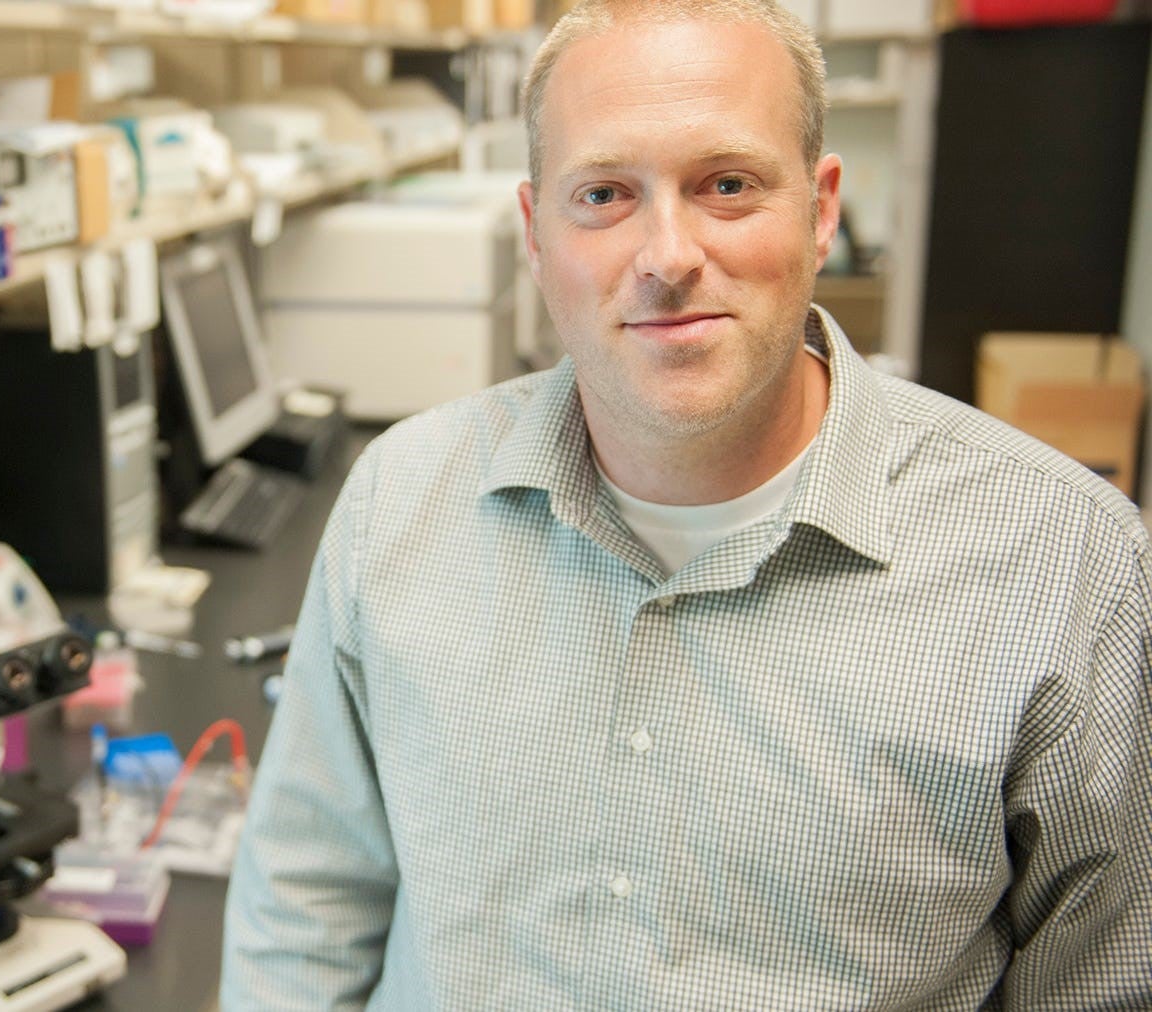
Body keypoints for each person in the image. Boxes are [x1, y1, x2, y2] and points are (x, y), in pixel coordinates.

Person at [220, 0, 1152, 1007]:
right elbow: (305, 913)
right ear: (536, 234)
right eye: (605, 195)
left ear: (822, 205)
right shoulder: (398, 506)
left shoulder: (1063, 564)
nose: (666, 255)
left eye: (726, 185)